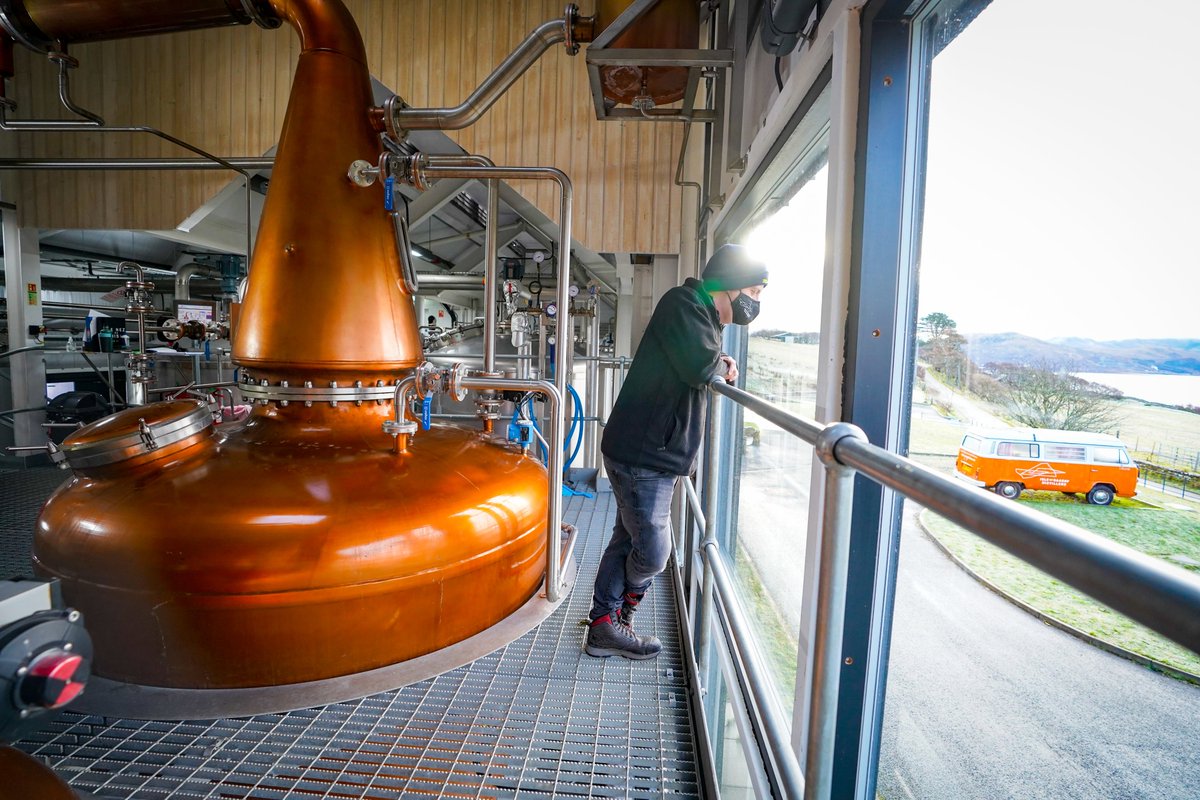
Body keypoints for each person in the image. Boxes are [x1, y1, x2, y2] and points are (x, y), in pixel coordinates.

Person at [585, 244, 768, 659]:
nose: (755, 303)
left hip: (648, 450)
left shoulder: (700, 314)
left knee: (627, 539)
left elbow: (701, 357)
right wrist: (723, 364)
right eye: (754, 292)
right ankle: (616, 617)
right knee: (653, 552)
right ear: (731, 284)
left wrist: (718, 358)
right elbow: (699, 366)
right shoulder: (684, 302)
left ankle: (605, 625)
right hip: (644, 454)